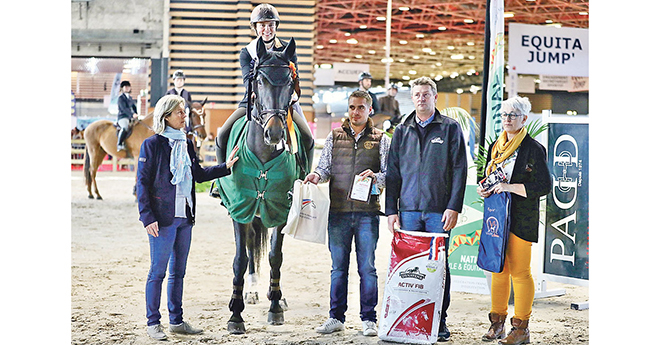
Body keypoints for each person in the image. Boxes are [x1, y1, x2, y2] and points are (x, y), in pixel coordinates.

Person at [136, 94, 239, 341]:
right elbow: (142, 184)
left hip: (185, 218)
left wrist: (226, 167)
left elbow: (199, 175)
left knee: (178, 273)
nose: (184, 116)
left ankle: (176, 321)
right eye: (180, 112)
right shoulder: (152, 145)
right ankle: (153, 323)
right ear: (166, 116)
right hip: (162, 219)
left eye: (184, 111)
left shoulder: (186, 143)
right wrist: (147, 217)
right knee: (157, 272)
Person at [385, 76, 468, 342]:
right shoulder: (401, 130)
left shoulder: (450, 128)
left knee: (439, 267)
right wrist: (391, 210)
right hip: (408, 212)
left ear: (435, 97)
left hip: (437, 212)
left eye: (426, 94)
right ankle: (411, 319)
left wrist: (453, 206)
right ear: (412, 98)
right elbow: (393, 174)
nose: (421, 98)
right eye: (417, 94)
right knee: (411, 268)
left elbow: (459, 170)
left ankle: (439, 320)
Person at [304, 90, 390, 337]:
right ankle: (336, 317)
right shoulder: (334, 137)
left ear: (369, 110)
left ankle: (369, 319)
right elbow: (325, 168)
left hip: (367, 214)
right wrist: (316, 176)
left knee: (367, 268)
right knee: (338, 268)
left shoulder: (381, 139)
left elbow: (389, 174)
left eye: (361, 107)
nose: (356, 112)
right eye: (352, 107)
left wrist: (377, 178)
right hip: (338, 212)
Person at [476, 96, 551, 345]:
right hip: (497, 217)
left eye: (513, 115)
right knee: (498, 269)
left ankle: (521, 327)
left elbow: (543, 186)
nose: (507, 119)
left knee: (519, 272)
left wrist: (509, 187)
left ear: (524, 119)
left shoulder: (533, 148)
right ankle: (497, 322)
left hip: (521, 217)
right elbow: (488, 176)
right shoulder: (495, 146)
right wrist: (484, 189)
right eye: (504, 114)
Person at [215, 3, 313, 162]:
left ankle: (304, 178)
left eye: (271, 25)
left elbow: (295, 77)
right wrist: (253, 92)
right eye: (262, 25)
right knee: (222, 135)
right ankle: (219, 179)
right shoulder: (247, 52)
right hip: (253, 102)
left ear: (276, 27)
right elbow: (247, 79)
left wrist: (293, 95)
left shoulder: (287, 49)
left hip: (282, 104)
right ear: (255, 27)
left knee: (308, 137)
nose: (267, 29)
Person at [116, 80, 138, 151]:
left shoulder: (130, 98)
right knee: (125, 127)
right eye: (125, 87)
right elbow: (124, 109)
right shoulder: (121, 98)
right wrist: (132, 114)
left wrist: (136, 113)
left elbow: (134, 107)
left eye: (128, 86)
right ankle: (119, 144)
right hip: (122, 117)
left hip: (129, 117)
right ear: (122, 88)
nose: (127, 88)